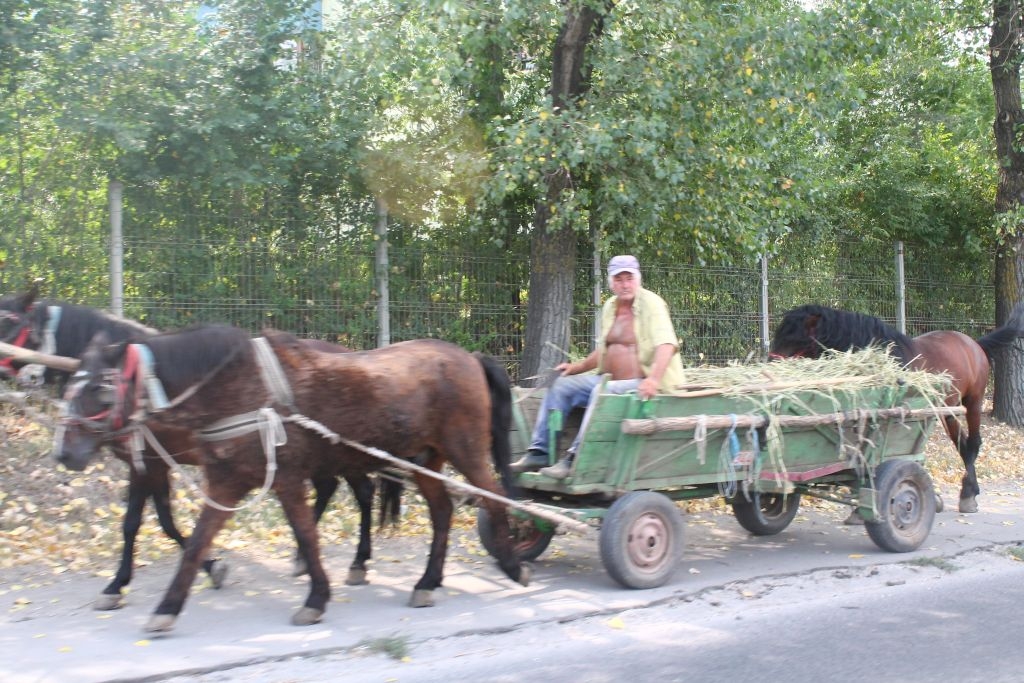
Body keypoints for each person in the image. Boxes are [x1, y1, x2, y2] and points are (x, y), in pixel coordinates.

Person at [511, 254, 685, 480]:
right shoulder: (610, 306)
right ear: (611, 282)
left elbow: (666, 344)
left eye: (629, 278)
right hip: (610, 381)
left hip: (644, 384)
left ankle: (574, 459)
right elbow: (605, 349)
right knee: (561, 386)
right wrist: (577, 367)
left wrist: (653, 379)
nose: (625, 285)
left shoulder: (652, 304)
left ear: (638, 278)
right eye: (619, 279)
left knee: (600, 392)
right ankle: (540, 452)